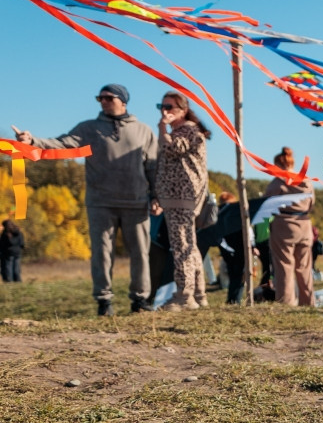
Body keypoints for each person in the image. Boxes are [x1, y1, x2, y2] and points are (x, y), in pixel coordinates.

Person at [12, 84, 156, 315]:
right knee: (101, 253)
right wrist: (32, 142)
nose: (104, 101)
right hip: (101, 202)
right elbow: (61, 144)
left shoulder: (143, 130)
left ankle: (140, 301)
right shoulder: (89, 128)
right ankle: (104, 301)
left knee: (140, 253)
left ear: (123, 101)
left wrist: (156, 196)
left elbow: (153, 166)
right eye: (100, 98)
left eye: (109, 97)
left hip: (136, 202)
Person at [152, 92, 211, 311]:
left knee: (181, 245)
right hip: (177, 196)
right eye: (161, 105)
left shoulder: (188, 130)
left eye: (170, 107)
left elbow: (172, 149)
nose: (164, 111)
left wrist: (161, 128)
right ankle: (198, 294)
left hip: (182, 196)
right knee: (189, 244)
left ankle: (184, 296)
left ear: (183, 109)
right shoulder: (185, 130)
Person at [265, 147, 315, 307]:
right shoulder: (306, 180)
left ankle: (286, 303)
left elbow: (266, 204)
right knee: (305, 267)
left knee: (284, 266)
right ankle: (308, 302)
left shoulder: (278, 182)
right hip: (305, 226)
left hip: (283, 226)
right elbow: (311, 204)